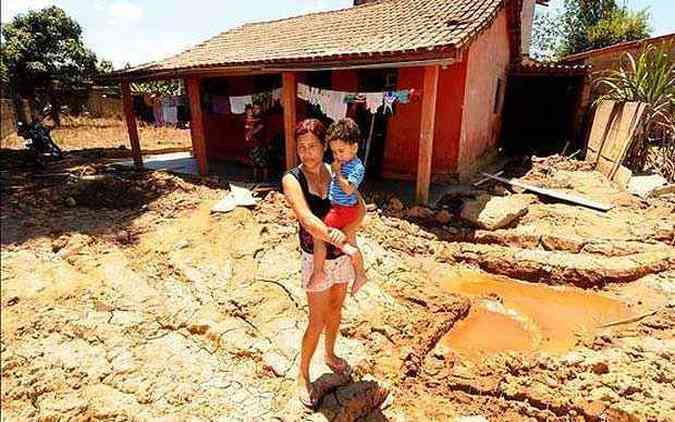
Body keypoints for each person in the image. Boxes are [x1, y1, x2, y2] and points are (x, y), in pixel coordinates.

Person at [282, 119, 366, 408]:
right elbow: (307, 220)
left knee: (335, 309)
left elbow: (358, 203)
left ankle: (330, 354)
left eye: (313, 147)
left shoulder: (336, 170)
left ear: (324, 147)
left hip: (340, 257)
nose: (306, 153)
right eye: (301, 147)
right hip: (314, 256)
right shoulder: (292, 179)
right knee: (316, 320)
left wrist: (355, 225)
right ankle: (302, 374)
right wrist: (340, 238)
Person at [313, 118, 368, 297]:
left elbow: (348, 188)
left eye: (341, 151)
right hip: (340, 207)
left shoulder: (357, 167)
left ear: (355, 147)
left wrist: (337, 172)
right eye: (335, 152)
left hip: (343, 210)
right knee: (351, 239)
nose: (337, 156)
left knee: (319, 235)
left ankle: (318, 272)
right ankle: (360, 275)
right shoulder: (344, 162)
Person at [244, 104, 268, 181]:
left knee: (261, 161)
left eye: (257, 108)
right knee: (253, 161)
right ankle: (255, 177)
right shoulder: (253, 118)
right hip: (252, 143)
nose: (255, 110)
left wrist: (249, 133)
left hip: (259, 143)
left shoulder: (261, 118)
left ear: (260, 109)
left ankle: (265, 178)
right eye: (254, 108)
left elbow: (258, 128)